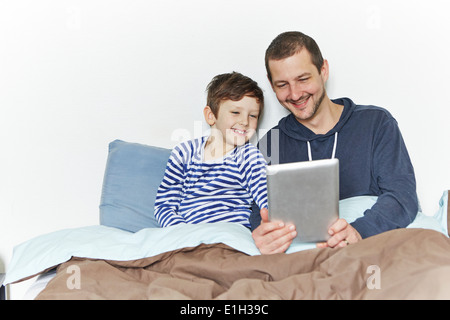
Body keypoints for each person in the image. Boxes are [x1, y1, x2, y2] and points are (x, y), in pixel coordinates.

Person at [252, 31, 418, 254]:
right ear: (272, 86)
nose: (295, 94)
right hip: (300, 262)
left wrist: (359, 231)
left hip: (367, 253)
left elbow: (402, 196)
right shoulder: (270, 143)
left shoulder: (376, 123)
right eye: (282, 85)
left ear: (323, 71)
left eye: (303, 79)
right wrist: (264, 234)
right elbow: (257, 214)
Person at [154, 72, 268, 228]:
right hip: (188, 235)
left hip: (230, 235)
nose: (245, 122)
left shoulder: (249, 156)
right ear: (211, 115)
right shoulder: (184, 152)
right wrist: (181, 232)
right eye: (235, 112)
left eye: (253, 116)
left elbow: (266, 199)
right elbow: (164, 206)